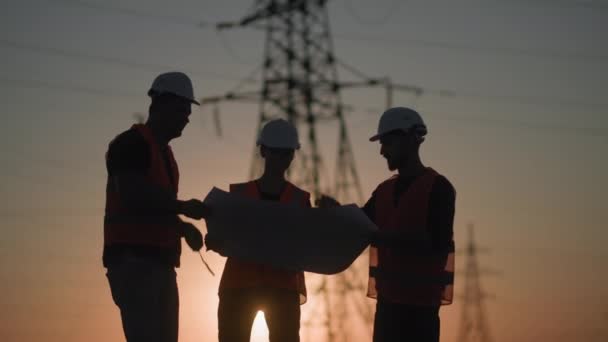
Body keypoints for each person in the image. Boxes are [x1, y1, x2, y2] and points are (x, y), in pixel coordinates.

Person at [318, 107, 456, 342]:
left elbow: (437, 242)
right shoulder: (383, 192)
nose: (382, 151)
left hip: (421, 313)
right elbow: (360, 226)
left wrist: (380, 238)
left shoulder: (438, 188)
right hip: (388, 308)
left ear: (410, 139)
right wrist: (338, 213)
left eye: (388, 142)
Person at [103, 71, 210, 342]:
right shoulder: (131, 144)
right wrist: (182, 207)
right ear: (161, 104)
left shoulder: (164, 154)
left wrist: (182, 228)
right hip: (134, 262)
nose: (187, 116)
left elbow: (154, 208)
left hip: (159, 264)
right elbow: (131, 196)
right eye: (182, 108)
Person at [206, 119, 310, 342]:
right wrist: (216, 239)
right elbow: (224, 237)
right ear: (264, 151)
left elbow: (308, 244)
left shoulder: (301, 200)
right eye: (277, 152)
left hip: (282, 290)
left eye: (286, 153)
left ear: (292, 155)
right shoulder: (238, 196)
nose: (281, 158)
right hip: (239, 287)